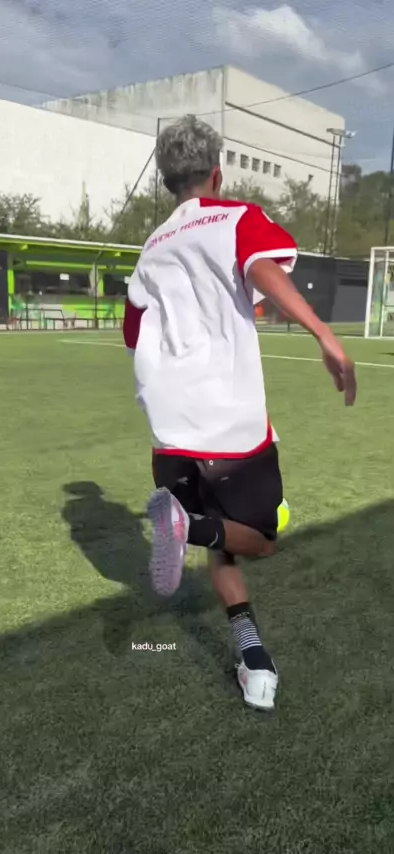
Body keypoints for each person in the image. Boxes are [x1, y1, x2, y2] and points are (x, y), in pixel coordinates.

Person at [122, 115, 356, 711]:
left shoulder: (150, 250)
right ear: (217, 173)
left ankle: (253, 659)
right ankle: (187, 527)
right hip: (230, 429)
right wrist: (323, 333)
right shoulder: (234, 218)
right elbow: (261, 268)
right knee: (260, 541)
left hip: (169, 434)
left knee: (221, 546)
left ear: (166, 182)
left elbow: (133, 335)